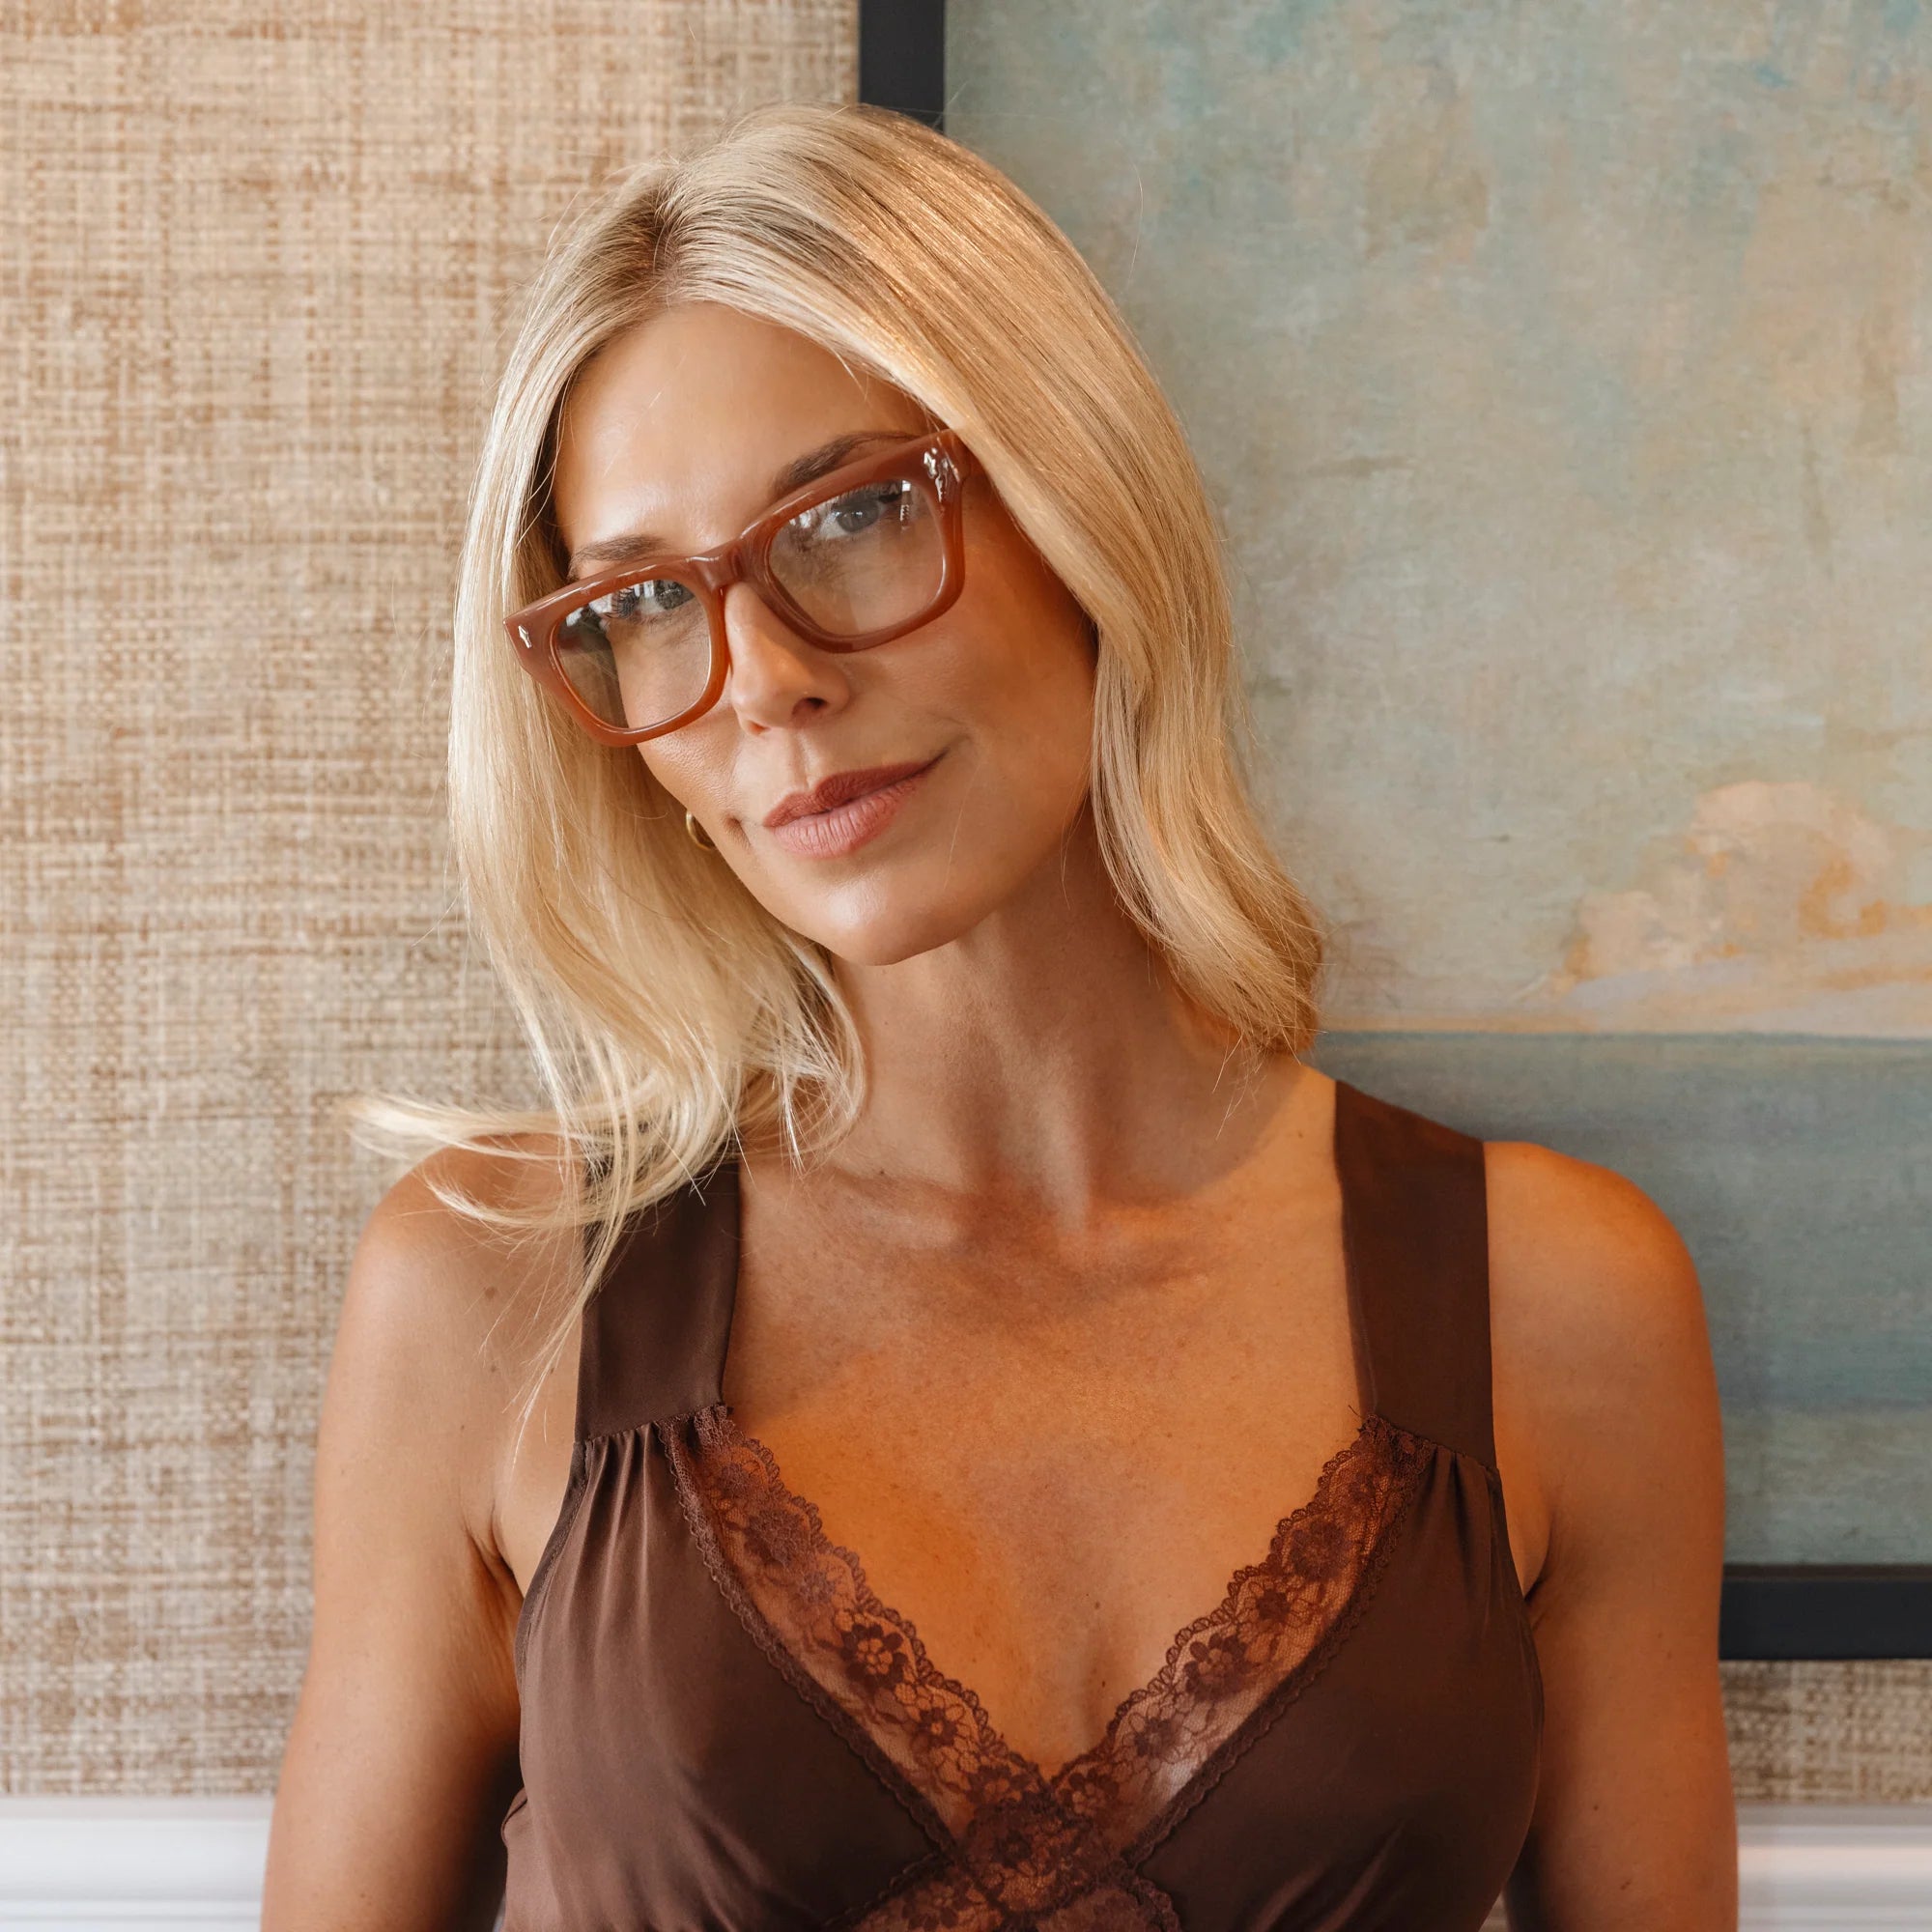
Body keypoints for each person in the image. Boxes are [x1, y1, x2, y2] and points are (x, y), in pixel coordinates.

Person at [263, 100, 1736, 1931]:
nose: (771, 681)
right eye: (648, 599)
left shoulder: (1564, 1306)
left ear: (1077, 500)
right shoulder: (491, 1295)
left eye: (856, 513)